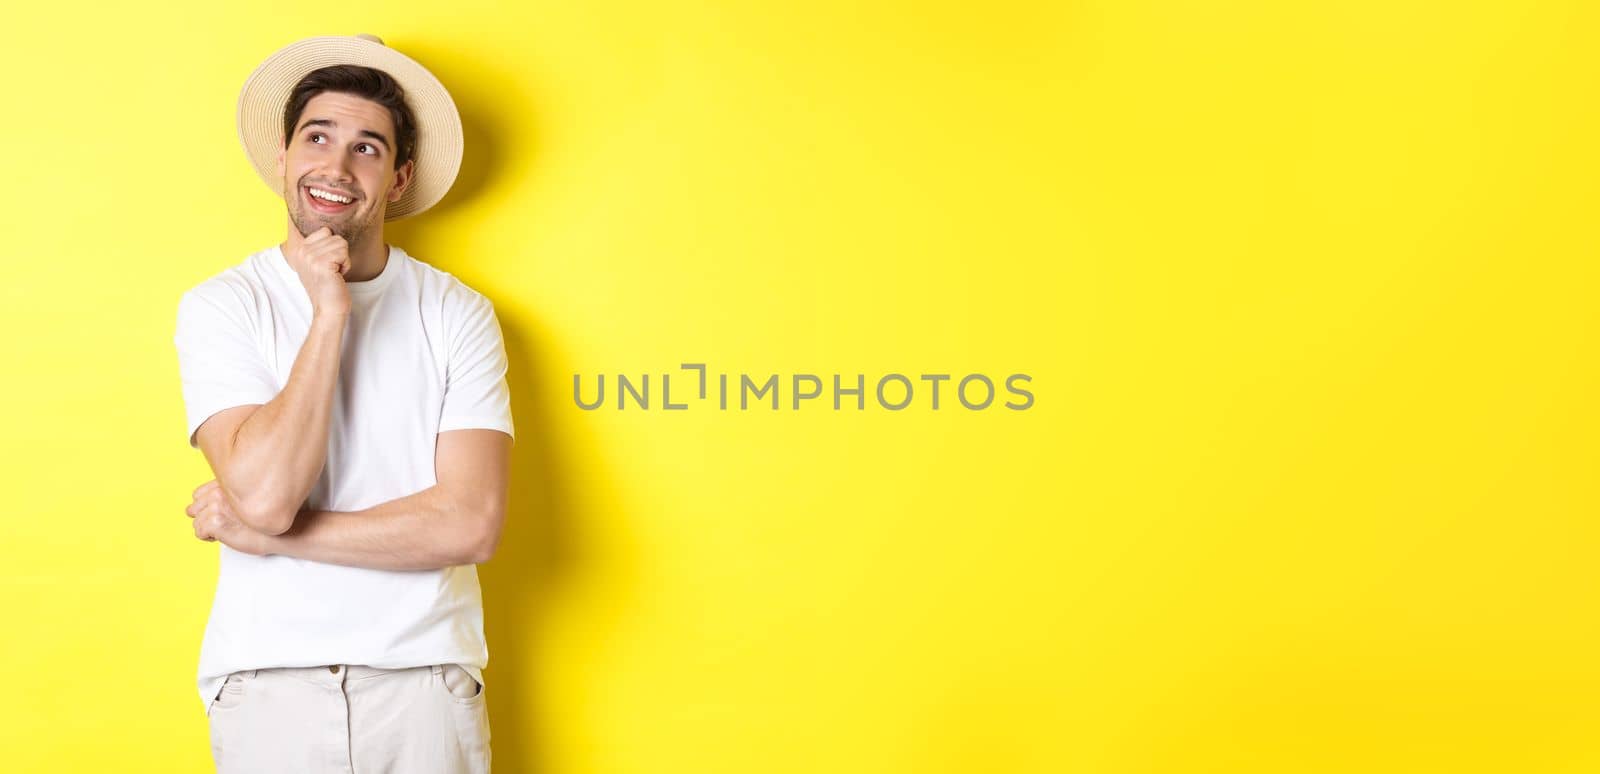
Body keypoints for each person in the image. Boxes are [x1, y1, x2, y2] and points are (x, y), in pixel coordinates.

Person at [173, 34, 510, 773]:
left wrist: (277, 538)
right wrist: (329, 314)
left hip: (422, 682)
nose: (335, 165)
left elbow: (470, 523)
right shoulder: (222, 306)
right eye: (317, 137)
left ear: (398, 178)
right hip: (267, 684)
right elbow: (262, 495)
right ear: (285, 159)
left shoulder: (458, 313)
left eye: (367, 147)